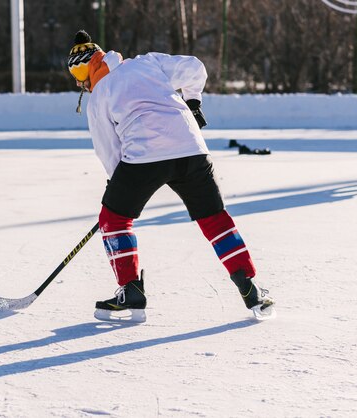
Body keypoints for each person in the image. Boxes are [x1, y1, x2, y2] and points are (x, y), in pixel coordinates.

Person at [67, 30, 275, 323]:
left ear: (85, 69)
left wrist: (117, 189)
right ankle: (249, 286)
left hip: (144, 157)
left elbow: (108, 149)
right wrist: (193, 102)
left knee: (113, 219)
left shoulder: (99, 95)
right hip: (192, 148)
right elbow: (194, 68)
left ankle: (131, 291)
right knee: (214, 218)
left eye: (78, 75)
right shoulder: (146, 63)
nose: (80, 83)